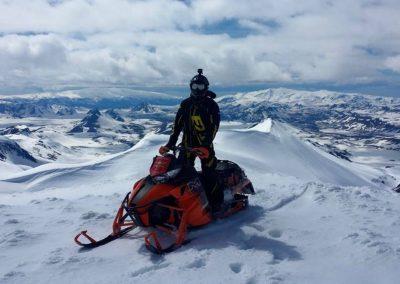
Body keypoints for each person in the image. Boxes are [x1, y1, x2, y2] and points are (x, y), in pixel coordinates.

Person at [159, 69, 222, 212]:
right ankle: (184, 202)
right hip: (186, 145)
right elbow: (177, 126)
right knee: (180, 173)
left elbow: (214, 127)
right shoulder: (186, 104)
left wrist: (205, 145)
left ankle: (216, 203)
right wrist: (170, 144)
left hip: (204, 147)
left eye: (200, 87)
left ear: (206, 88)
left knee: (209, 172)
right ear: (190, 87)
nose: (197, 90)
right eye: (195, 86)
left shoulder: (211, 105)